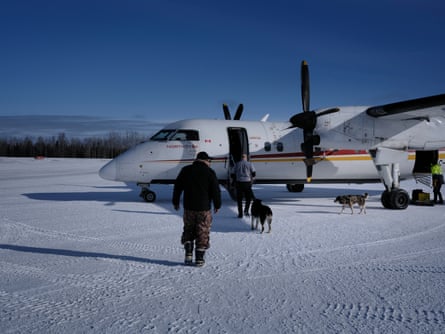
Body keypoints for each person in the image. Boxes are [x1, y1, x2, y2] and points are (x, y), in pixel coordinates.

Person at [172, 151, 221, 267]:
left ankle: (188, 254)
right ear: (205, 160)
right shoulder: (210, 172)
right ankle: (199, 259)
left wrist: (175, 201)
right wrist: (217, 205)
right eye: (209, 161)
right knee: (202, 231)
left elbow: (177, 187)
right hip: (203, 208)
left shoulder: (186, 170)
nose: (210, 163)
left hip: (189, 207)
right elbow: (215, 190)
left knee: (188, 229)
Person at [231, 154, 256, 218]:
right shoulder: (250, 164)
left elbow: (232, 173)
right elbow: (253, 173)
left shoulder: (237, 164)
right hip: (247, 182)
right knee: (248, 198)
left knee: (239, 199)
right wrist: (252, 179)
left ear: (241, 158)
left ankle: (240, 214)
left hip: (239, 183)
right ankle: (246, 210)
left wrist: (234, 180)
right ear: (246, 158)